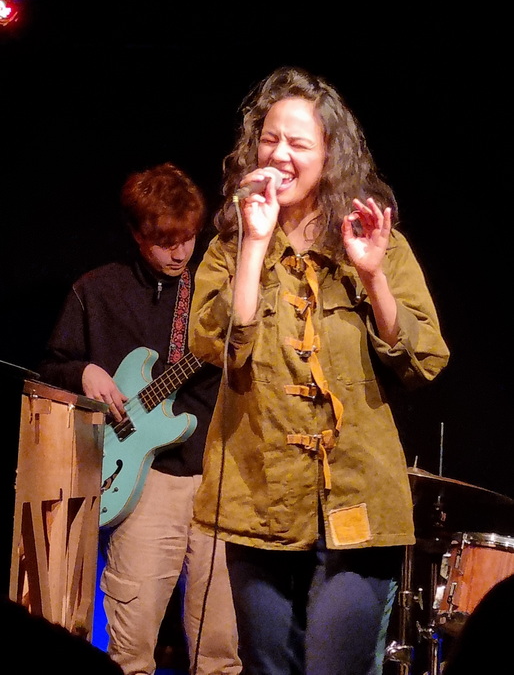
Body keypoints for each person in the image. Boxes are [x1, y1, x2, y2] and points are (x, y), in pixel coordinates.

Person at [187, 67, 450, 675]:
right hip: (259, 501)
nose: (279, 155)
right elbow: (217, 345)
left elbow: (425, 358)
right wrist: (254, 244)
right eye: (269, 139)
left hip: (360, 500)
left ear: (330, 155)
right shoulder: (229, 246)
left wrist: (373, 275)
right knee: (267, 667)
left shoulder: (376, 241)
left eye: (298, 143)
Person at [39, 162, 241, 675]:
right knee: (130, 653)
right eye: (165, 242)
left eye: (188, 239)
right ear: (135, 233)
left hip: (219, 479)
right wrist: (84, 372)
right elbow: (51, 369)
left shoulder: (213, 291)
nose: (179, 253)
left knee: (221, 653)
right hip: (145, 482)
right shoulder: (96, 291)